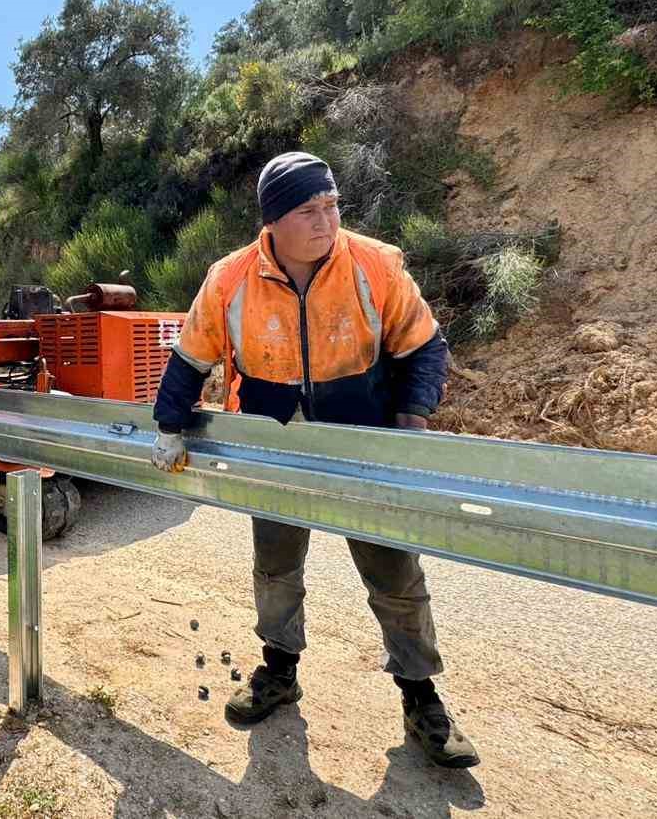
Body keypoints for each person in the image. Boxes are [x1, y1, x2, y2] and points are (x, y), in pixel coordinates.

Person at [149, 151, 478, 769]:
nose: (326, 221)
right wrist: (169, 425)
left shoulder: (375, 265)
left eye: (331, 206)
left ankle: (421, 698)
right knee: (275, 569)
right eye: (308, 210)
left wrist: (409, 425)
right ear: (273, 221)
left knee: (395, 576)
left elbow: (424, 346)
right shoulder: (230, 278)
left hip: (362, 445)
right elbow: (191, 357)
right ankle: (279, 671)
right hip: (275, 450)